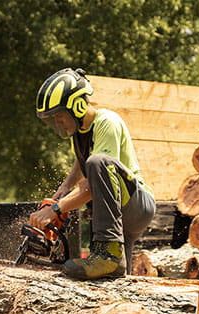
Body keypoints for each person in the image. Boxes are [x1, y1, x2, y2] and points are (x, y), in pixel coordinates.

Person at [29, 67, 156, 280]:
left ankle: (107, 253)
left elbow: (92, 181)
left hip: (137, 206)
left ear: (77, 106)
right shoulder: (78, 134)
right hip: (118, 215)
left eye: (59, 116)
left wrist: (56, 210)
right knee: (114, 282)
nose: (57, 123)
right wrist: (64, 189)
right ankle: (110, 261)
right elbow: (80, 166)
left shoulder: (107, 122)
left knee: (98, 162)